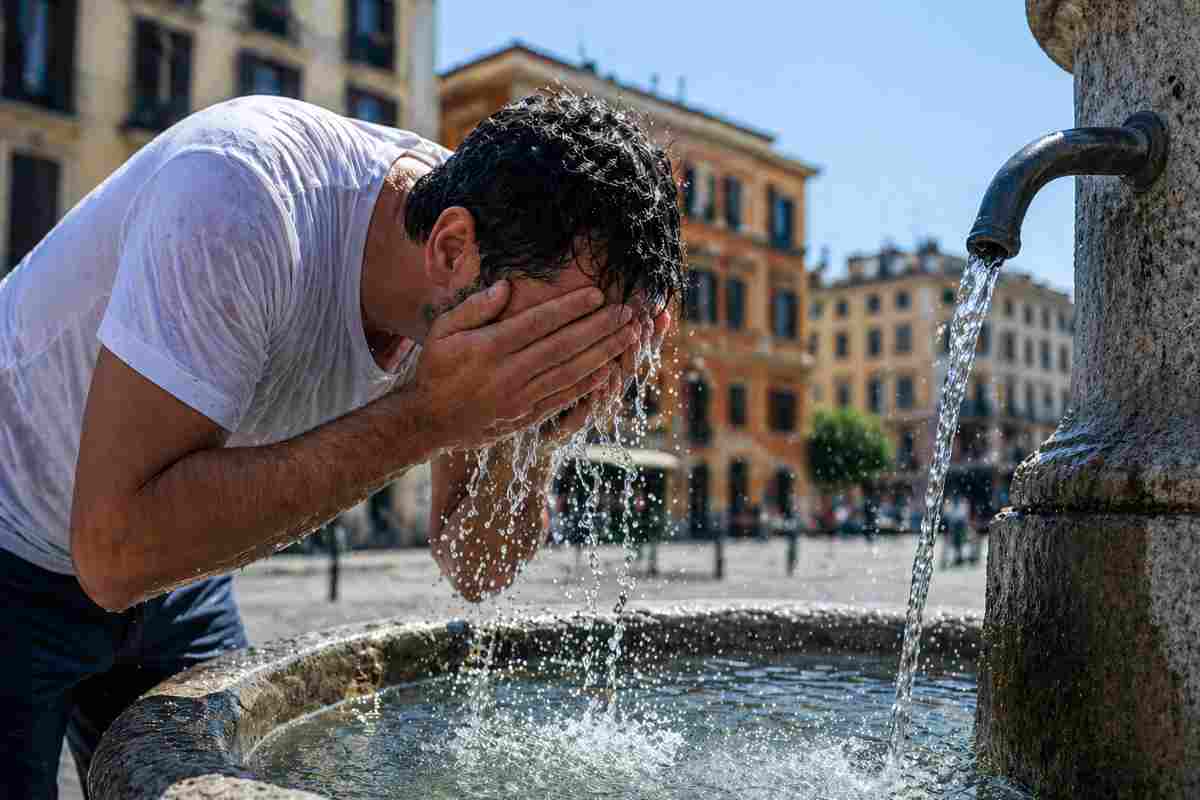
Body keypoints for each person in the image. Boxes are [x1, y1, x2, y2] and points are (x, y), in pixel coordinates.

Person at [0, 89, 682, 797]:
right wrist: (427, 419)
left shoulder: (480, 265)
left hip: (172, 574)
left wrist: (531, 432)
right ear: (451, 248)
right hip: (14, 533)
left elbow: (475, 566)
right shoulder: (241, 199)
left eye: (592, 345)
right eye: (556, 335)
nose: (565, 360)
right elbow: (114, 553)